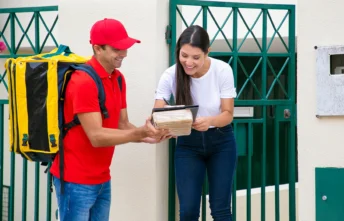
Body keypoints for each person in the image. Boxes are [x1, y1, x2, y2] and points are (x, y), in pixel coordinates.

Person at [50, 18, 168, 221]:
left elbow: (122, 124)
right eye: (117, 48)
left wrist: (149, 136)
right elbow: (96, 136)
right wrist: (139, 133)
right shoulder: (83, 82)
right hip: (75, 180)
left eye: (125, 47)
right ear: (97, 48)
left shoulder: (118, 78)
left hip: (103, 178)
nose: (124, 53)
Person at [154, 25, 238, 221]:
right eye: (184, 55)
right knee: (189, 210)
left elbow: (228, 114)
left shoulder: (222, 70)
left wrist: (210, 121)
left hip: (221, 142)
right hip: (188, 145)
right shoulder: (170, 74)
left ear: (207, 52)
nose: (188, 62)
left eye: (195, 57)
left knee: (221, 209)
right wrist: (161, 123)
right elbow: (158, 111)